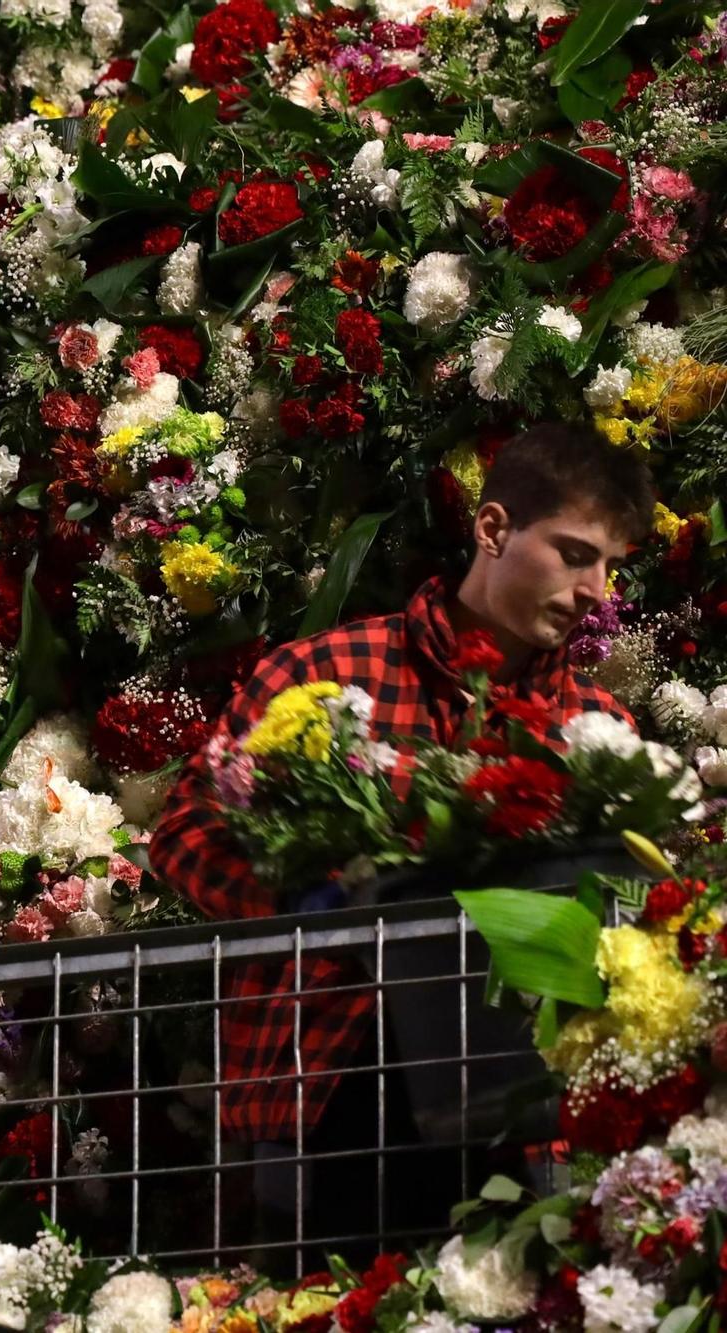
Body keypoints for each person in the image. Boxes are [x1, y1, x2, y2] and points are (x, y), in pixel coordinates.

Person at [150, 421, 655, 1259]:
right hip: (331, 1094)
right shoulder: (327, 670)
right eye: (573, 553)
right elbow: (185, 831)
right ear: (493, 529)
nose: (596, 588)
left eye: (610, 566)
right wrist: (308, 900)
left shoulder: (601, 730)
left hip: (526, 1121)